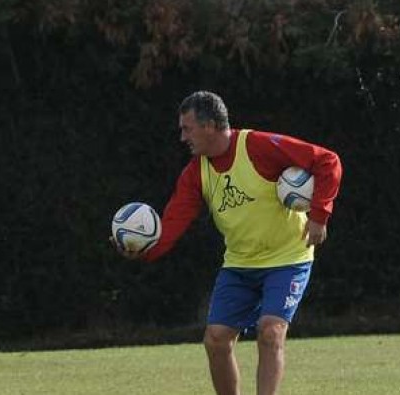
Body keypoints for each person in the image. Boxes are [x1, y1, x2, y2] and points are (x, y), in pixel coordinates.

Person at [112, 91, 342, 395]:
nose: (182, 137)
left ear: (209, 125)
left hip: (288, 258)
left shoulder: (258, 146)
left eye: (187, 128)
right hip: (240, 264)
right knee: (216, 339)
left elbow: (327, 161)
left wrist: (319, 215)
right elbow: (171, 224)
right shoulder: (196, 174)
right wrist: (141, 251)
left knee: (271, 331)